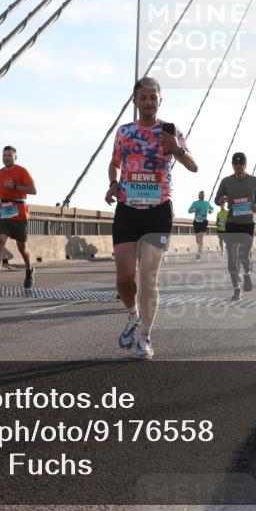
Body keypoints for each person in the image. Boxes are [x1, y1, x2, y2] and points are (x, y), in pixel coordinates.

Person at [107, 77, 197, 360]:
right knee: (124, 279)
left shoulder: (171, 131)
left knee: (148, 278)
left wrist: (176, 148)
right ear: (135, 101)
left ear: (160, 100)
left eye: (153, 97)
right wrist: (113, 183)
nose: (148, 102)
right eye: (143, 98)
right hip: (127, 209)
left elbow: (193, 165)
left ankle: (145, 337)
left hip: (158, 211)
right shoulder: (124, 132)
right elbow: (115, 163)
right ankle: (134, 314)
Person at [0, 146, 37, 290]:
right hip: (3, 210)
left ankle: (29, 269)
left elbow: (33, 190)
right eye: (4, 155)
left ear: (15, 157)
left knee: (22, 247)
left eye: (9, 155)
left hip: (19, 212)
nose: (6, 158)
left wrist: (14, 186)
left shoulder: (22, 171)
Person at [215, 152, 256, 300]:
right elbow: (217, 199)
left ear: (245, 165)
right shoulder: (226, 181)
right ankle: (237, 290)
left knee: (244, 256)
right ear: (232, 165)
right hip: (232, 223)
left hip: (248, 223)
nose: (238, 166)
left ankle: (247, 274)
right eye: (235, 164)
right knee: (232, 258)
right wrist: (220, 200)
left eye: (241, 163)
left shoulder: (254, 181)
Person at [188, 191, 212, 259]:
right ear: (198, 196)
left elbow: (212, 209)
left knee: (201, 237)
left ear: (204, 196)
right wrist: (195, 210)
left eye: (203, 195)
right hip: (196, 222)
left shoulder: (207, 203)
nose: (202, 196)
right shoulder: (195, 203)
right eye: (201, 195)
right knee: (197, 240)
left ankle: (199, 251)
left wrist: (210, 211)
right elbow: (189, 211)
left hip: (204, 221)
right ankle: (200, 248)